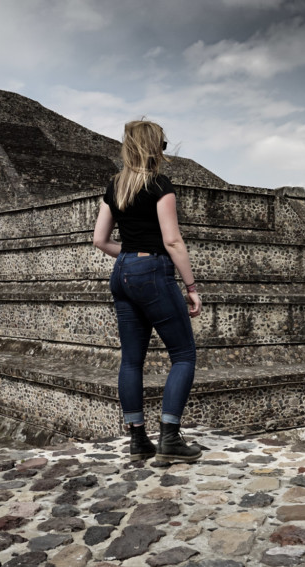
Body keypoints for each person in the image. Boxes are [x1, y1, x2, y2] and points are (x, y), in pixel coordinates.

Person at [93, 119, 202, 465]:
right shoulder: (159, 185)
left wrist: (128, 257)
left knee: (131, 360)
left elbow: (99, 240)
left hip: (121, 272)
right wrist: (191, 287)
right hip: (152, 272)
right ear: (155, 148)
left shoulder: (114, 186)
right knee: (183, 354)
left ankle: (138, 439)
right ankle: (169, 436)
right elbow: (172, 240)